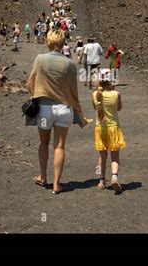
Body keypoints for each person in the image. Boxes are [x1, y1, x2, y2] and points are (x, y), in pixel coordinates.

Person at [27, 30, 89, 194]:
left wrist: (36, 95)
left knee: (43, 143)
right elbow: (73, 91)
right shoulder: (69, 64)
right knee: (59, 146)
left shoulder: (40, 59)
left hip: (45, 109)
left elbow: (31, 82)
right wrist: (80, 112)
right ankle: (56, 184)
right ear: (63, 44)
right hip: (63, 109)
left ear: (48, 42)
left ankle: (43, 177)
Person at [92, 69, 126, 193]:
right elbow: (119, 108)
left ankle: (101, 181)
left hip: (100, 128)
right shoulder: (117, 94)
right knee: (115, 156)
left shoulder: (95, 94)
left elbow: (96, 107)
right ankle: (114, 177)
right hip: (113, 128)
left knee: (102, 155)